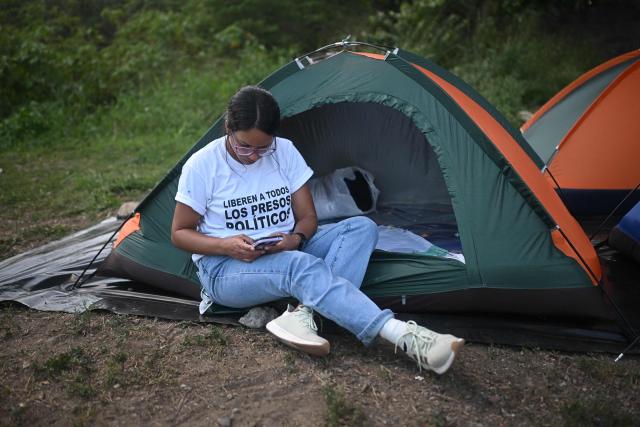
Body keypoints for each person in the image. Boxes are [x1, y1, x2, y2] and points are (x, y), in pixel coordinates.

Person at [171, 86, 464, 374]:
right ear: (227, 127)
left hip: (283, 248)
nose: (253, 156)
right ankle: (403, 336)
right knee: (298, 267)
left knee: (361, 228)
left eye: (263, 147)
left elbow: (308, 217)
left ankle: (304, 316)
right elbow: (180, 233)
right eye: (243, 146)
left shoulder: (283, 152)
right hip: (225, 266)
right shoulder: (203, 165)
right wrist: (225, 245)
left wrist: (295, 239)